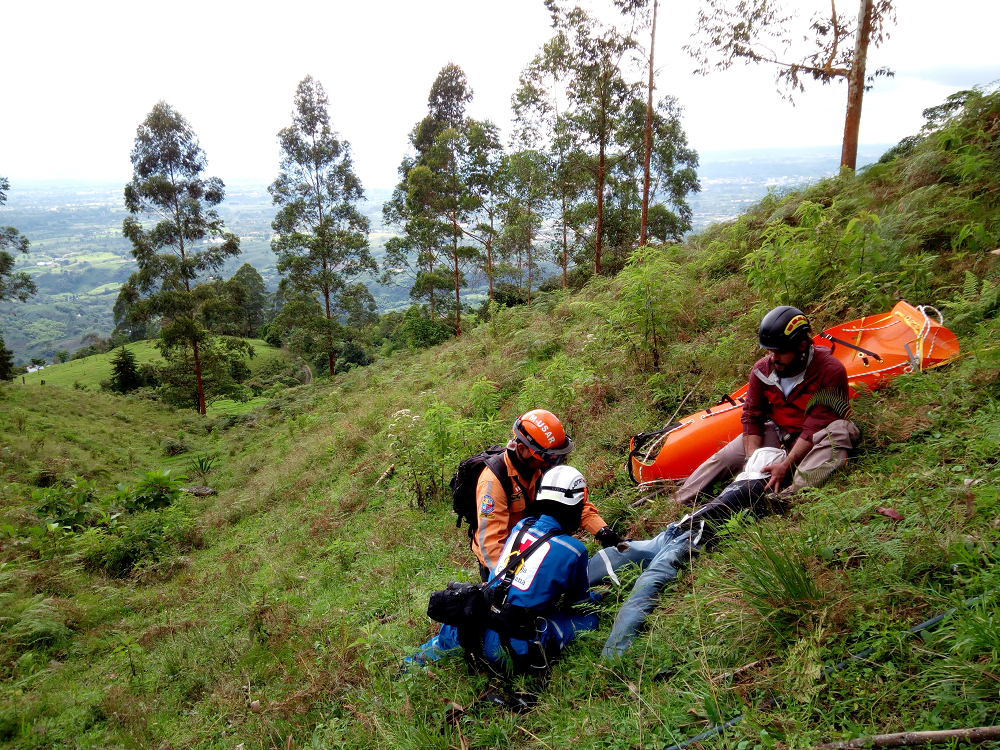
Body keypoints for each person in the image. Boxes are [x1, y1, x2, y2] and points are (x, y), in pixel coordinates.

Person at [409, 465, 601, 674]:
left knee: (444, 642)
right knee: (589, 619)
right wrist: (599, 596)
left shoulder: (521, 526)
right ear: (574, 506)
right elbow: (579, 604)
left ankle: (410, 664)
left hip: (477, 626)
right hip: (514, 647)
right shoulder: (574, 550)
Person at [673, 306, 860, 506]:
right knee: (724, 457)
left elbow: (816, 425)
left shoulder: (830, 371)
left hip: (816, 438)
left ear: (802, 346)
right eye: (770, 350)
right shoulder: (762, 370)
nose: (773, 357)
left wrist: (785, 465)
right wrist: (751, 460)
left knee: (839, 431)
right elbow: (752, 416)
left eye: (780, 352)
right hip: (781, 433)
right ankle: (679, 500)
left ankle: (791, 495)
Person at [472, 409, 621, 581]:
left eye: (557, 458)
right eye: (549, 458)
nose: (553, 464)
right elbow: (491, 543)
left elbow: (573, 505)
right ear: (522, 449)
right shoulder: (493, 482)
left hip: (536, 543)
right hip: (505, 556)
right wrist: (507, 581)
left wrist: (603, 532)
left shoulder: (541, 468)